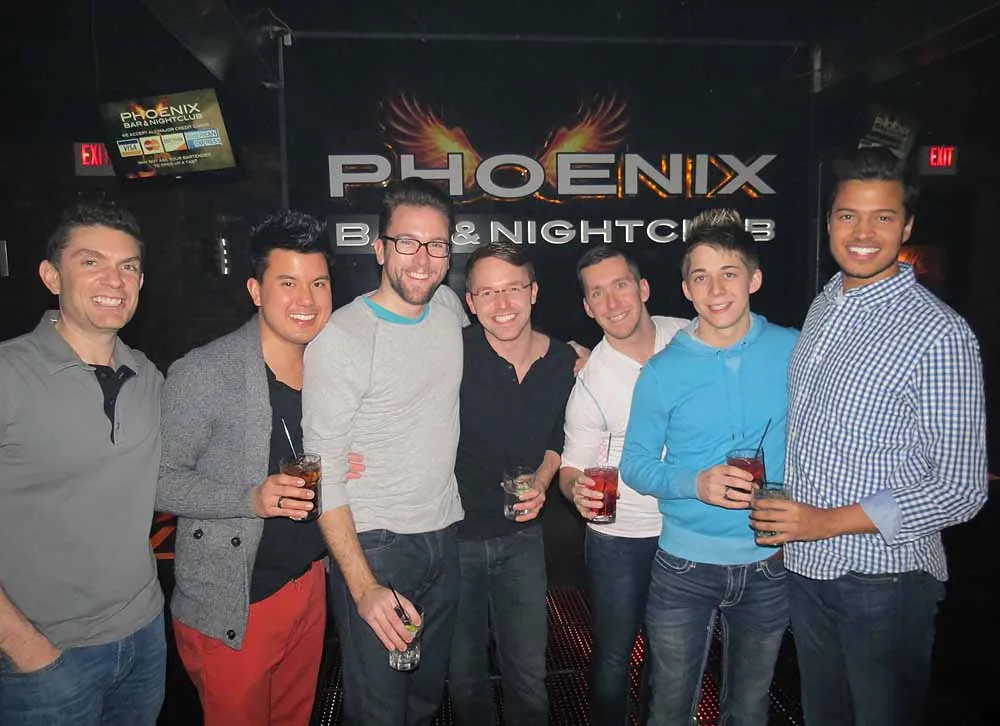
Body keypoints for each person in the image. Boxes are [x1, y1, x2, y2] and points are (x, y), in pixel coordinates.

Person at [750, 147, 988, 726]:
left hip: (885, 579)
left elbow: (961, 489)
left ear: (906, 226)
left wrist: (827, 521)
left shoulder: (939, 334)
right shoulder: (826, 303)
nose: (862, 233)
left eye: (882, 217)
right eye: (847, 215)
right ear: (829, 221)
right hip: (808, 568)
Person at [156, 210, 335, 725]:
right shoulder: (204, 372)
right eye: (288, 283)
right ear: (256, 290)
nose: (307, 299)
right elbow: (158, 481)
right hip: (235, 602)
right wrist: (250, 499)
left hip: (308, 582)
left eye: (319, 283)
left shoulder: (329, 365)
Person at [620, 209, 798, 726]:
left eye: (728, 274)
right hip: (684, 568)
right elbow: (635, 465)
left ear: (754, 279)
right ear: (686, 290)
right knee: (669, 710)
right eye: (701, 277)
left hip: (769, 562)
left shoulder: (794, 349)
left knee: (749, 709)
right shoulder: (662, 371)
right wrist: (694, 482)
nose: (716, 290)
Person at [302, 177, 468, 726]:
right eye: (407, 242)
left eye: (436, 245)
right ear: (379, 248)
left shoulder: (448, 308)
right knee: (380, 710)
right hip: (377, 544)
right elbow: (323, 474)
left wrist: (569, 353)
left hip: (444, 535)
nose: (422, 260)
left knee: (424, 699)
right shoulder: (342, 338)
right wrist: (364, 586)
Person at [0, 200, 166, 726]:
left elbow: (183, 471)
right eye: (91, 262)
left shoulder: (148, 377)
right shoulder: (8, 374)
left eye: (128, 266)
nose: (114, 280)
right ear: (52, 276)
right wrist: (22, 644)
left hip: (144, 635)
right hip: (43, 655)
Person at [448, 242, 577, 726]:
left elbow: (560, 435)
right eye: (487, 292)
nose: (502, 304)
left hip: (522, 541)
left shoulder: (563, 361)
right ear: (470, 302)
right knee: (464, 676)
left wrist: (543, 480)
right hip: (453, 539)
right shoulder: (450, 353)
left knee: (528, 675)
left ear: (534, 292)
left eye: (513, 289)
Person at [558, 246, 687, 726]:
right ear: (587, 308)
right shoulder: (591, 380)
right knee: (613, 656)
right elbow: (571, 467)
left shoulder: (689, 337)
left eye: (620, 285)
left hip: (686, 529)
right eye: (598, 293)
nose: (612, 302)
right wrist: (576, 490)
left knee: (670, 653)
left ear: (643, 288)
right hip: (620, 539)